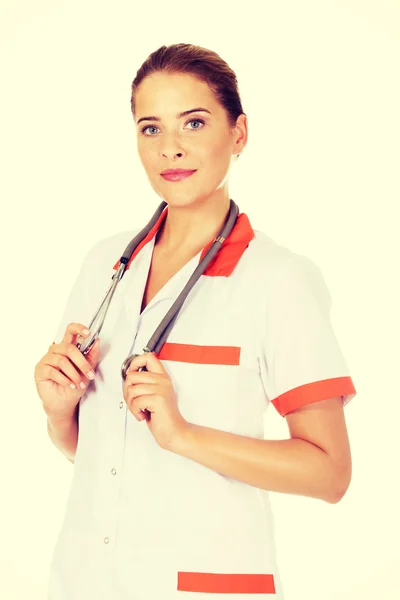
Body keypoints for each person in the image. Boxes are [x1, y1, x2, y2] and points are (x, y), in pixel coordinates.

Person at [34, 43, 357, 600]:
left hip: (203, 585)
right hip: (84, 579)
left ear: (239, 134)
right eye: (150, 128)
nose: (171, 149)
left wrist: (182, 435)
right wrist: (59, 409)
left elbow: (329, 475)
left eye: (194, 122)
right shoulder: (106, 265)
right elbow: (97, 451)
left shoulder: (280, 280)